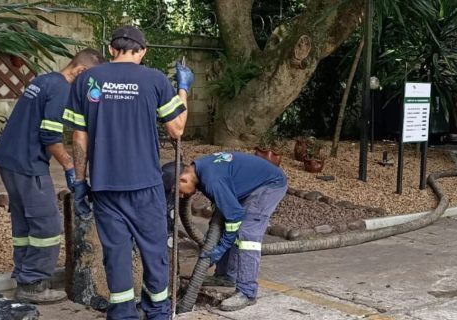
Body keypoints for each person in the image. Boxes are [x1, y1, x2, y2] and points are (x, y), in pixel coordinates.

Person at [62, 26, 194, 320]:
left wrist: (80, 181)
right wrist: (183, 88)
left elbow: (79, 138)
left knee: (117, 255)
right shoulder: (155, 80)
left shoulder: (87, 80)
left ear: (111, 49)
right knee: (155, 252)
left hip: (106, 186)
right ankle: (158, 311)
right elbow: (178, 129)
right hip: (145, 185)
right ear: (143, 51)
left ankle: (122, 314)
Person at [0, 48, 105, 304]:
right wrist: (69, 166)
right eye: (91, 80)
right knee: (47, 226)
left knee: (24, 223)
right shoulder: (62, 89)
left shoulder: (43, 80)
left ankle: (24, 276)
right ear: (82, 71)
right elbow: (50, 137)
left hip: (9, 161)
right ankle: (33, 285)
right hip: (28, 165)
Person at [162, 151, 288, 312]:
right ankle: (226, 276)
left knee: (247, 234)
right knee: (221, 227)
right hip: (249, 184)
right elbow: (226, 209)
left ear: (183, 179)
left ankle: (247, 292)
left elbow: (235, 217)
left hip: (269, 185)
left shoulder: (212, 180)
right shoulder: (199, 170)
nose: (181, 195)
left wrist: (221, 248)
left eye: (177, 191)